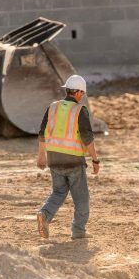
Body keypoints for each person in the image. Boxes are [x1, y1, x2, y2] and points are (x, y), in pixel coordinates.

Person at [36, 74, 100, 240]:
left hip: (54, 159)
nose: (83, 97)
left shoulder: (53, 107)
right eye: (83, 94)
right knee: (81, 198)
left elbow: (42, 133)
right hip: (73, 161)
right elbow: (88, 138)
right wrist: (95, 159)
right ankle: (78, 230)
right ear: (78, 92)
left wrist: (41, 156)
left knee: (58, 192)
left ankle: (45, 214)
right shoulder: (79, 110)